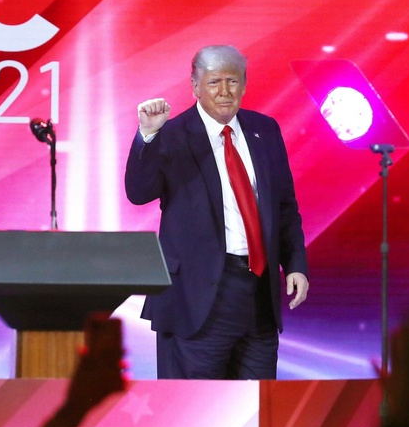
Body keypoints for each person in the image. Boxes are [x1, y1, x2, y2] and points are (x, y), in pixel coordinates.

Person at [125, 44, 309, 379]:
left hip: (258, 296)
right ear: (195, 86)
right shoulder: (172, 134)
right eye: (213, 83)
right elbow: (138, 193)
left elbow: (284, 206)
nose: (224, 91)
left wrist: (295, 264)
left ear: (244, 83)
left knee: (256, 405)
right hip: (197, 299)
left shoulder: (264, 130)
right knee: (189, 409)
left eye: (232, 81)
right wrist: (147, 135)